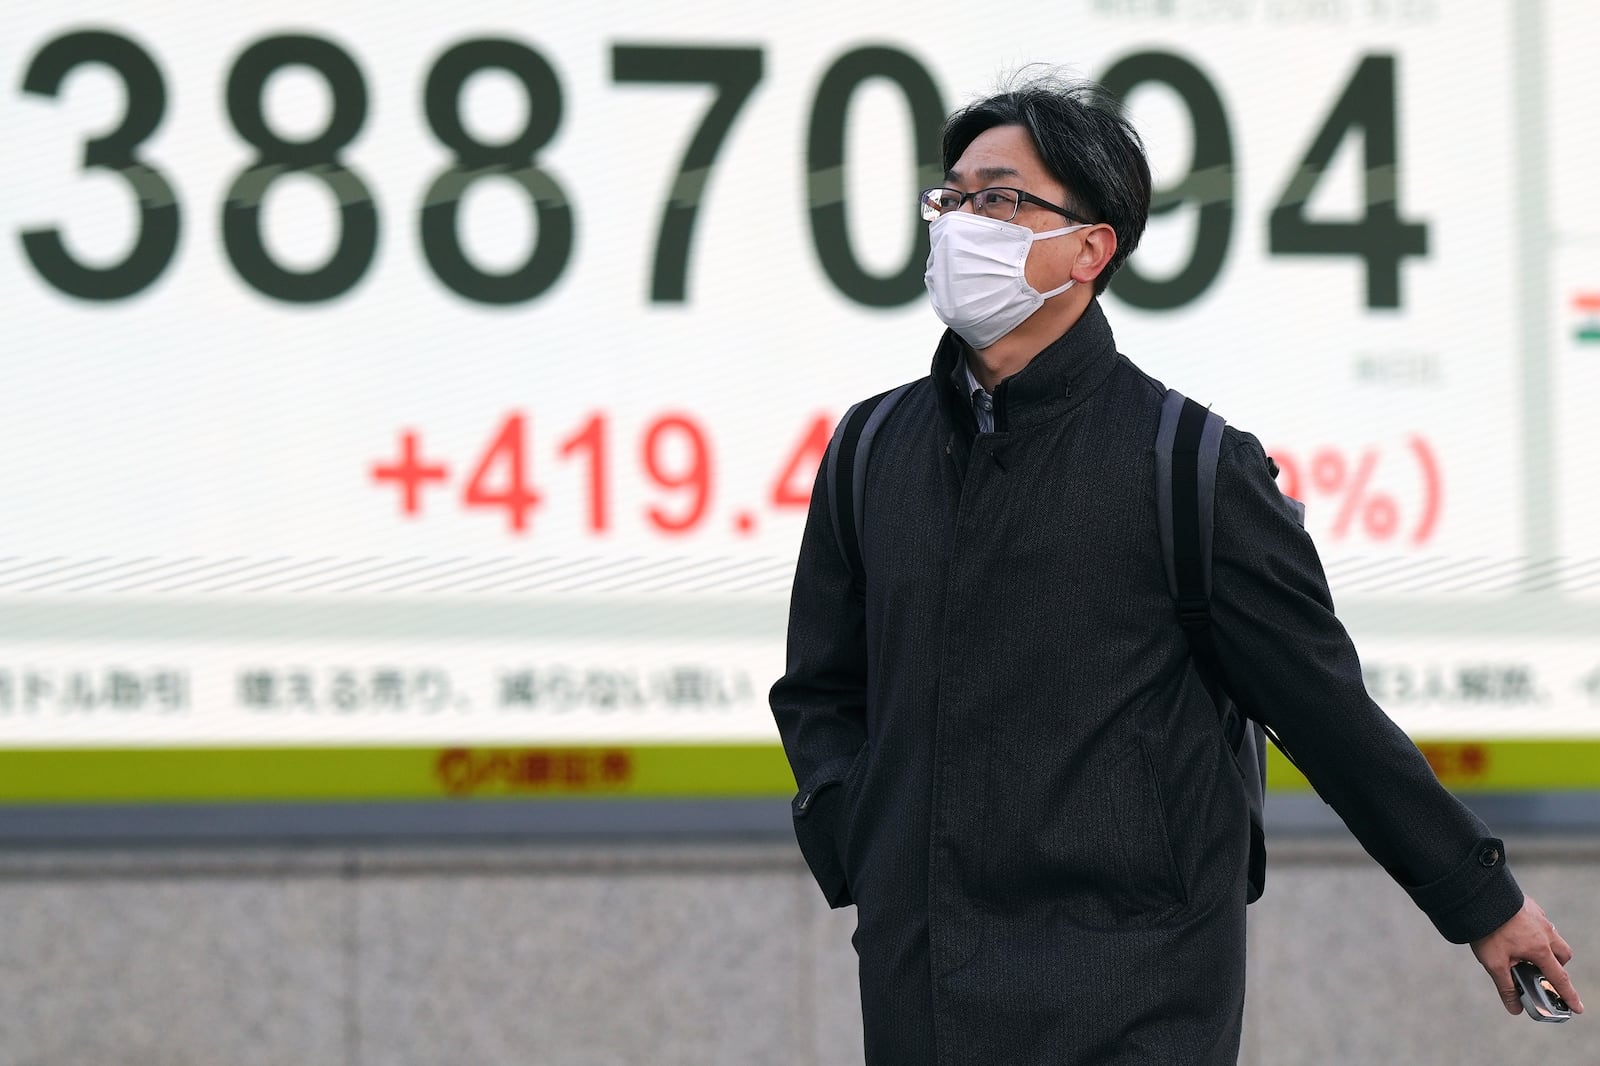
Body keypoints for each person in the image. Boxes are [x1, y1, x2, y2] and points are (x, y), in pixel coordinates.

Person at [768, 73, 1582, 1065]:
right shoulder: (871, 447)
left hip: (1138, 984)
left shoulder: (1188, 465)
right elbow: (819, 688)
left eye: (998, 198)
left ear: (1089, 247)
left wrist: (1477, 895)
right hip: (923, 978)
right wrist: (871, 846)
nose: (958, 223)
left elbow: (1322, 710)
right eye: (952, 197)